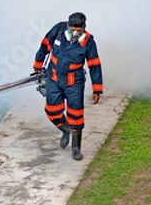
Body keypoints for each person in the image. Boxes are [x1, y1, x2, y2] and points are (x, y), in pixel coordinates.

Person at [32, 12, 103, 161]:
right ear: (68, 26)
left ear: (84, 27)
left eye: (79, 29)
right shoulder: (58, 30)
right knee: (52, 110)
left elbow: (94, 64)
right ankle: (66, 130)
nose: (75, 32)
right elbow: (45, 46)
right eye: (73, 29)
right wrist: (37, 65)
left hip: (74, 82)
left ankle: (76, 148)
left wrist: (97, 89)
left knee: (76, 116)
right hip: (54, 77)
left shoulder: (89, 41)